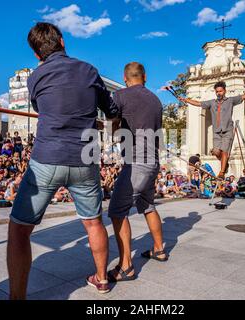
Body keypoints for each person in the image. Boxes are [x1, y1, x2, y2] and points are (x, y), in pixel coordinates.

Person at [7, 22, 119, 299]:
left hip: (47, 158)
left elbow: (41, 108)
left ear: (36, 54)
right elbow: (111, 109)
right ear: (63, 41)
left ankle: (17, 296)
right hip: (85, 158)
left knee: (19, 230)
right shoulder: (89, 70)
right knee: (93, 223)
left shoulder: (35, 76)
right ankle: (102, 280)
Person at [107, 62, 168, 284]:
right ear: (145, 77)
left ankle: (126, 267)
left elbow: (113, 121)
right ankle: (159, 249)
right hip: (153, 161)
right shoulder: (156, 99)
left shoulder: (121, 95)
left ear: (125, 78)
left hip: (136, 162)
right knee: (148, 205)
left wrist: (117, 128)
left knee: (116, 211)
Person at [179, 79, 245, 179]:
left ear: (224, 91)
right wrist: (187, 100)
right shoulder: (211, 103)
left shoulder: (231, 101)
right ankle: (224, 163)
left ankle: (221, 172)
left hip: (228, 130)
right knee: (216, 152)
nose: (218, 93)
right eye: (217, 91)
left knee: (224, 151)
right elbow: (199, 103)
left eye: (220, 91)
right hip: (216, 132)